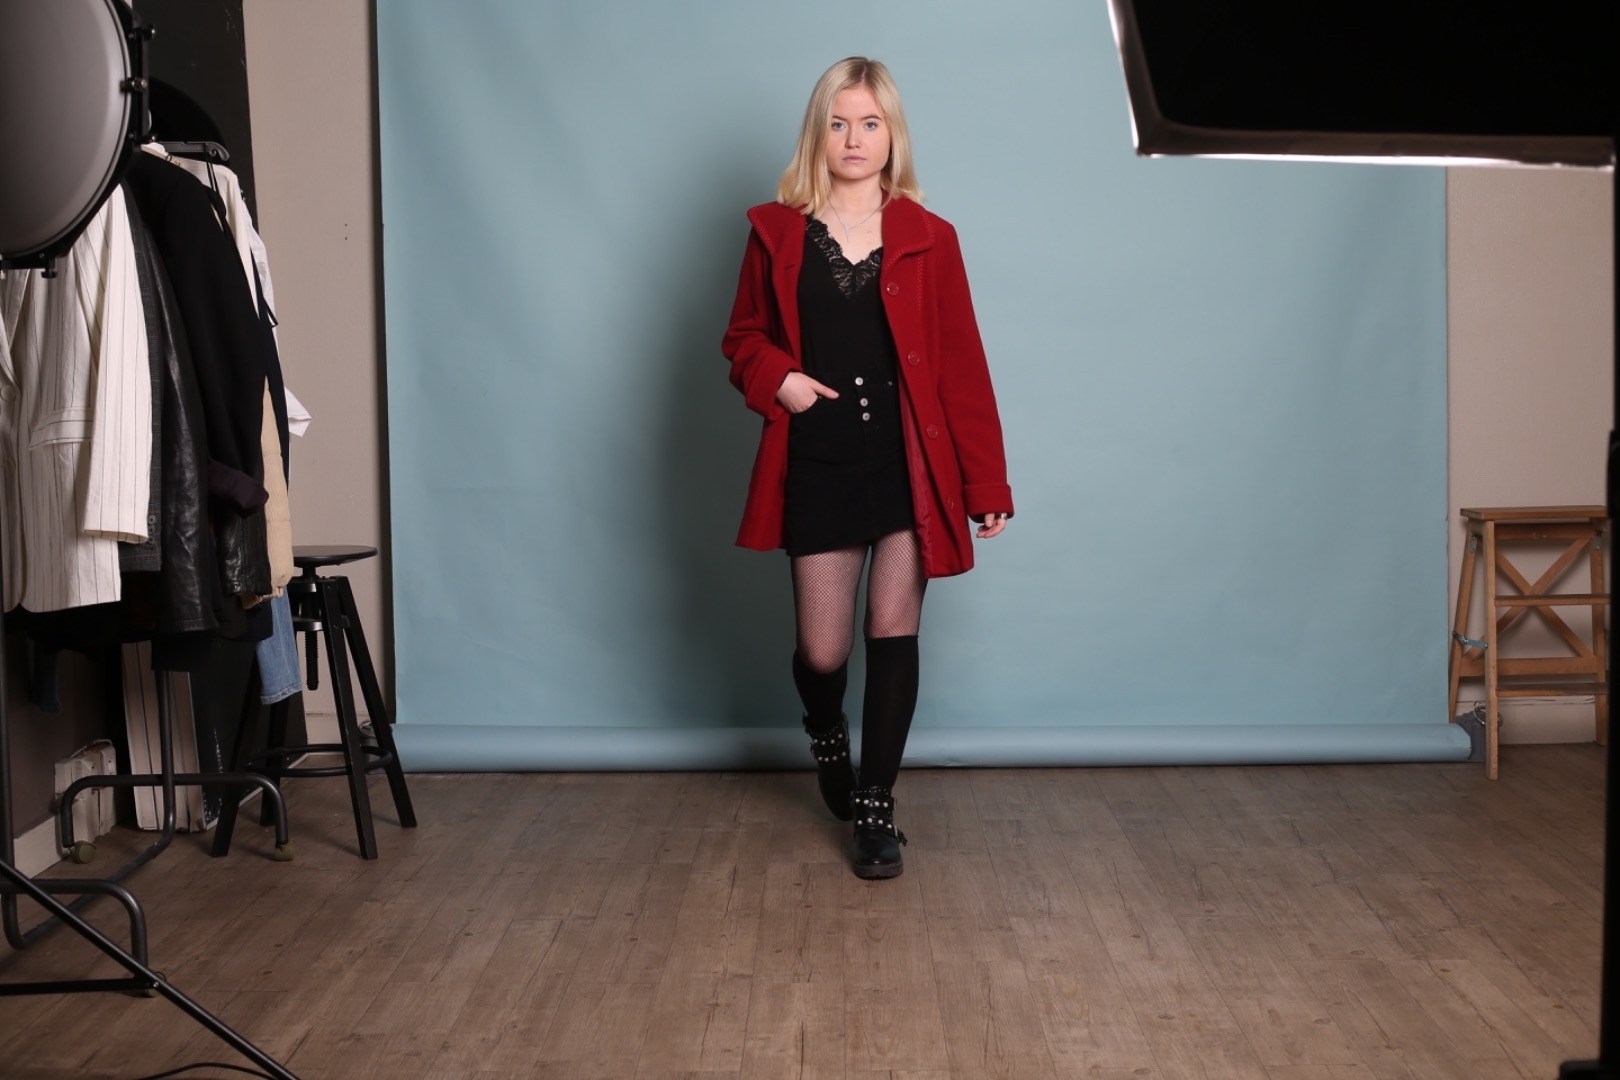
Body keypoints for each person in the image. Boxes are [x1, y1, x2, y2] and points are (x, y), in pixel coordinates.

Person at [722, 57, 1013, 879]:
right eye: (839, 123)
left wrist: (985, 483)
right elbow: (742, 338)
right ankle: (826, 734)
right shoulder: (776, 231)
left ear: (893, 135)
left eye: (870, 123)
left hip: (907, 463)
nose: (854, 138)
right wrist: (779, 378)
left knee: (893, 626)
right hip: (817, 458)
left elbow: (962, 366)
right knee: (822, 652)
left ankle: (876, 806)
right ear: (819, 134)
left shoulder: (930, 236)